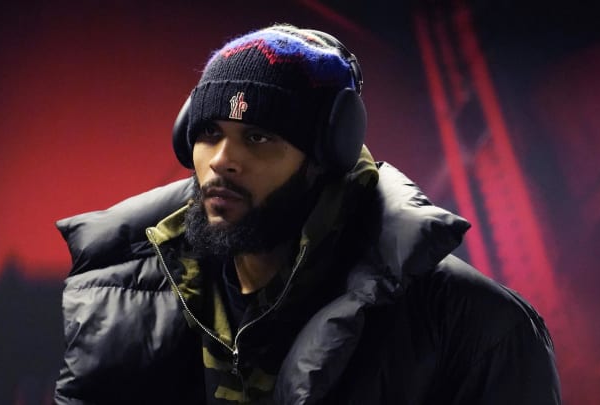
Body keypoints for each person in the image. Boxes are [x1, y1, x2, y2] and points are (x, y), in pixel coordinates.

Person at [53, 24, 561, 404]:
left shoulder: (477, 329)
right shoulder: (123, 294)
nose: (223, 160)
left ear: (327, 158)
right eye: (209, 134)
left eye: (258, 137)